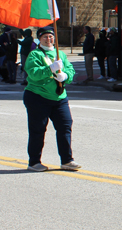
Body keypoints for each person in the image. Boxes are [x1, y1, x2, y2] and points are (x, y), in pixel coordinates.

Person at [23, 26, 80, 172]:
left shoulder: (60, 54)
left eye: (51, 37)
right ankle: (34, 162)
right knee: (38, 130)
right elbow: (33, 74)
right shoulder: (35, 55)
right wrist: (50, 69)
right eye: (45, 37)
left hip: (59, 97)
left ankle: (67, 160)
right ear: (39, 39)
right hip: (38, 97)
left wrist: (65, 76)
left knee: (65, 126)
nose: (49, 39)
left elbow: (70, 69)